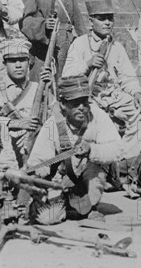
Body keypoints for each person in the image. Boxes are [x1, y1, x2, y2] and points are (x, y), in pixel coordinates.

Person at [62, 0, 141, 159]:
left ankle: (124, 158)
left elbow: (127, 76)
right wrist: (87, 65)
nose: (107, 23)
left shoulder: (117, 47)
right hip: (88, 97)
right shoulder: (79, 44)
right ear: (91, 21)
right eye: (101, 19)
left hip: (113, 96)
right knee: (97, 123)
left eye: (110, 18)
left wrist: (136, 93)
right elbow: (67, 78)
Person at [26, 75, 121, 221]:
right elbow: (39, 160)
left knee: (97, 168)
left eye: (84, 102)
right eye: (75, 103)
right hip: (60, 179)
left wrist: (92, 149)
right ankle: (70, 206)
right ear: (63, 104)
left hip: (89, 173)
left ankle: (90, 207)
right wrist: (37, 174)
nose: (81, 108)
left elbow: (117, 151)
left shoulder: (99, 117)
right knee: (47, 219)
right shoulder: (53, 125)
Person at [0, 38, 51, 166]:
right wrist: (15, 123)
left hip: (32, 146)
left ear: (29, 62)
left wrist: (50, 88)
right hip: (2, 146)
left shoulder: (38, 88)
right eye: (13, 61)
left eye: (22, 60)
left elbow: (53, 119)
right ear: (4, 63)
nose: (18, 65)